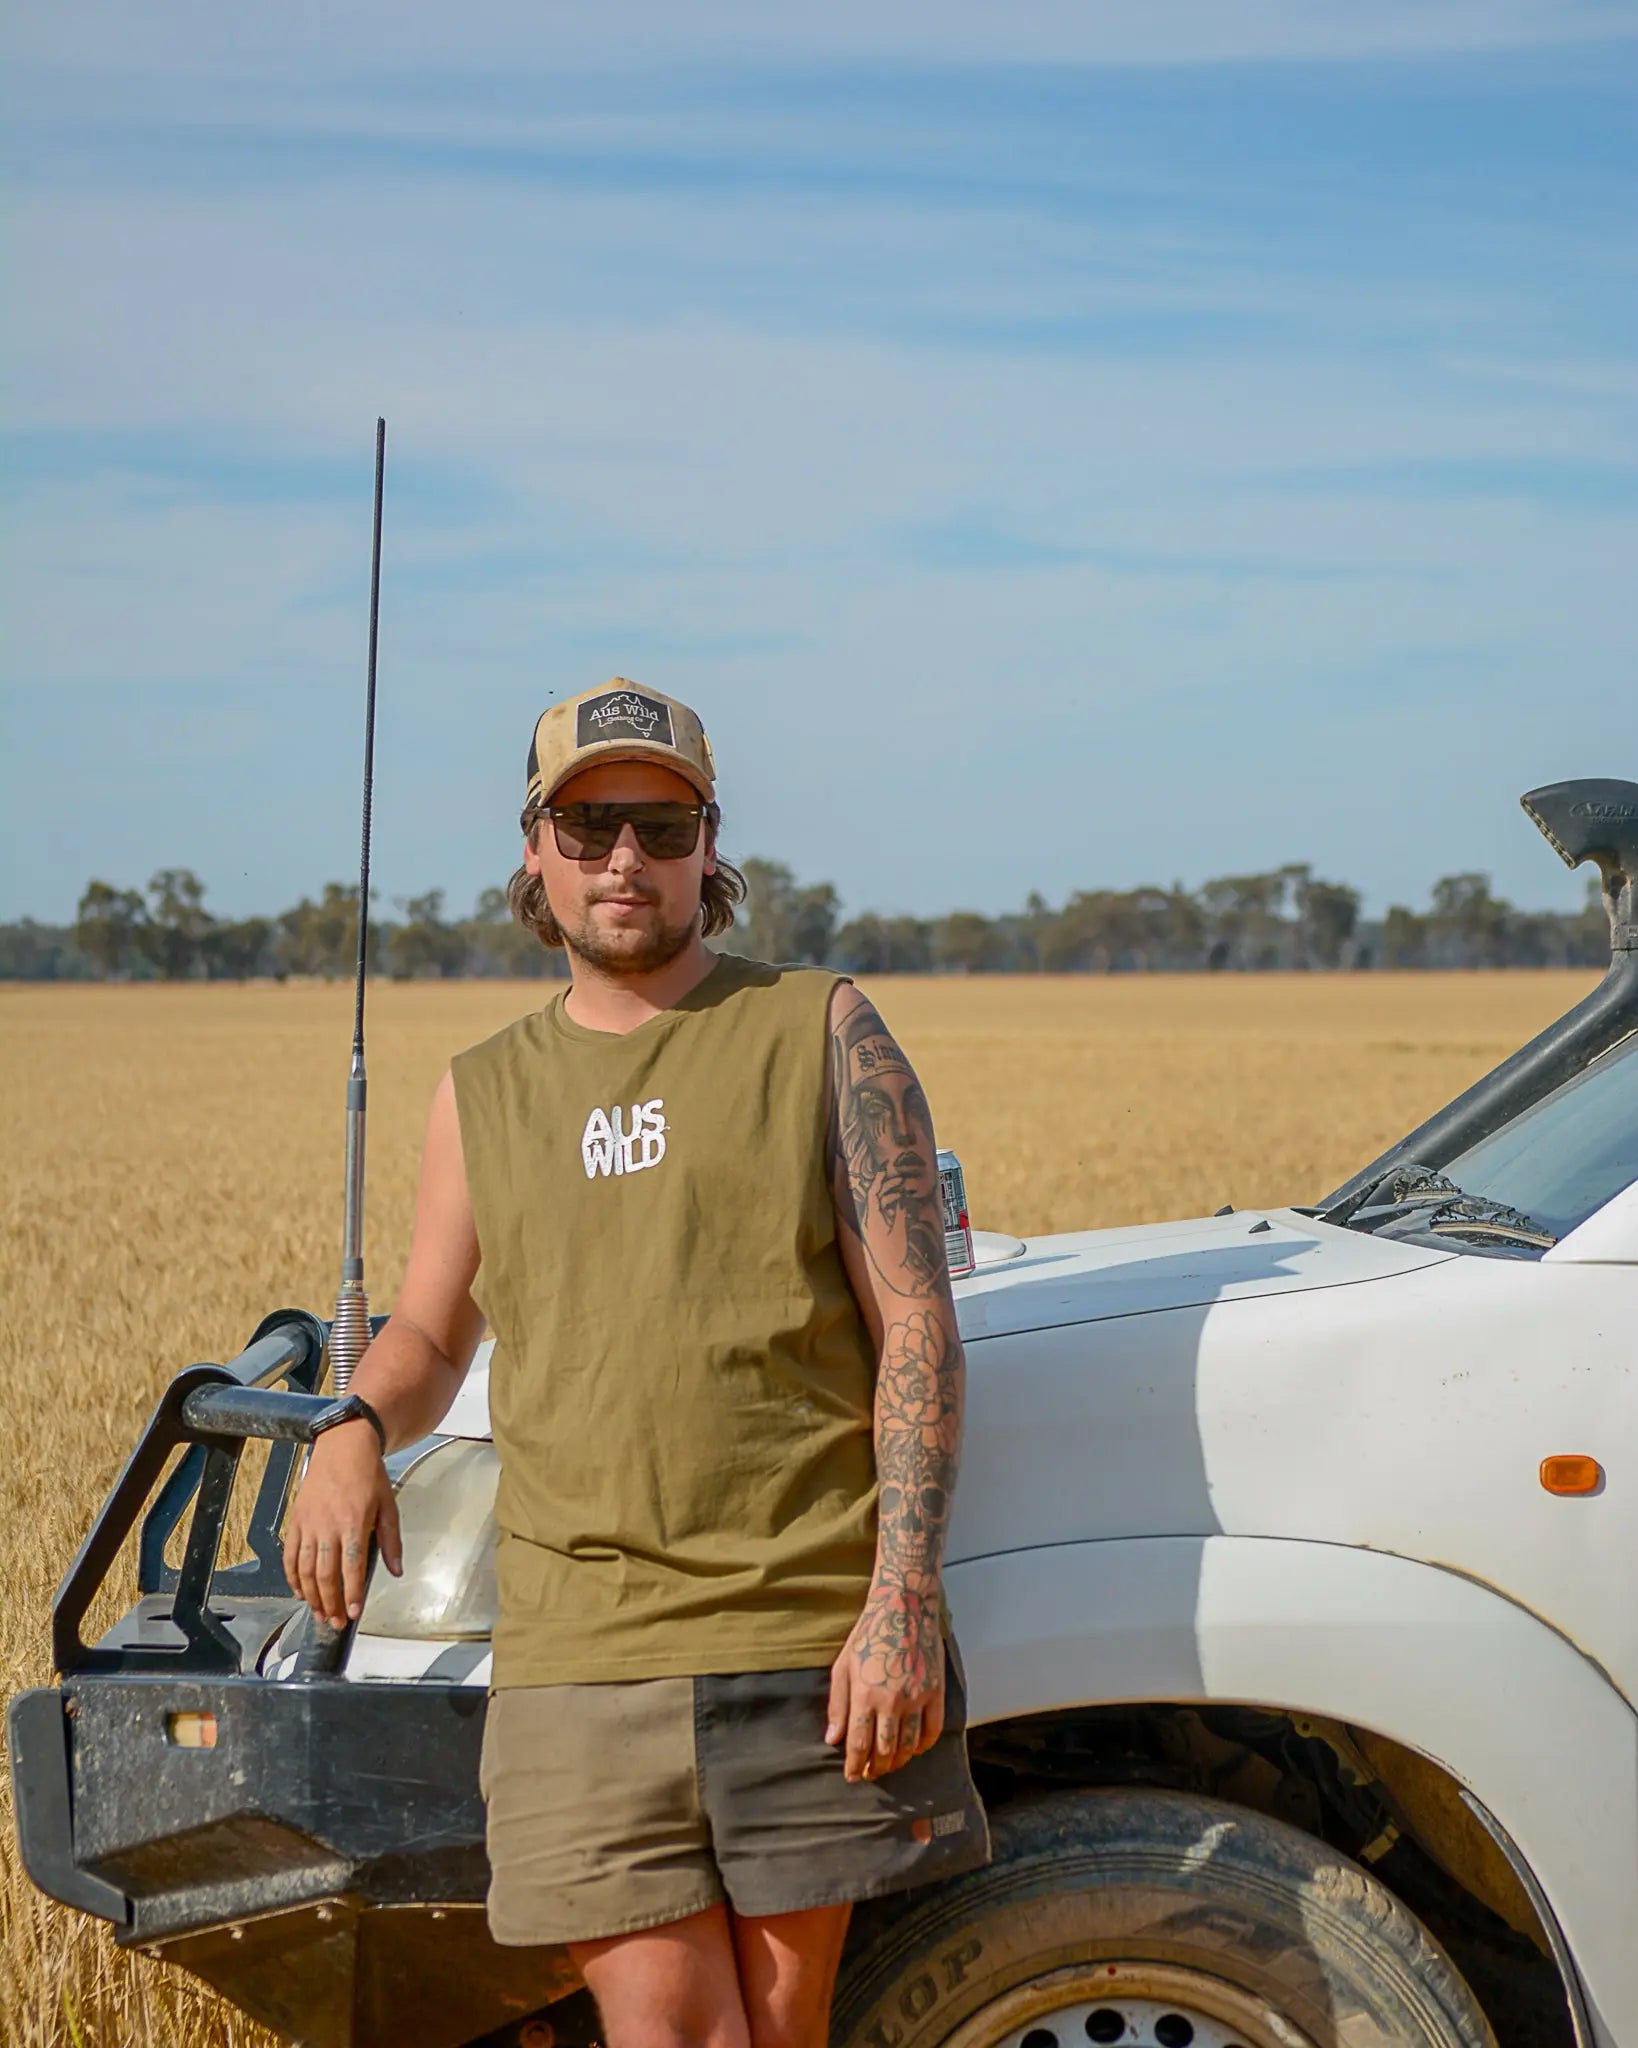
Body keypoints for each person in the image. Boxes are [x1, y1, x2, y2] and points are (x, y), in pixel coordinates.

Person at [284, 679, 989, 2048]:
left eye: (663, 831)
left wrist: (902, 1596)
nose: (625, 859)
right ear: (534, 849)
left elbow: (915, 1322)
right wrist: (352, 1423)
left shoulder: (819, 1027)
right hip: (578, 1658)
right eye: (590, 822)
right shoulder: (482, 1090)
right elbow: (431, 1330)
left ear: (709, 850)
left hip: (804, 1633)